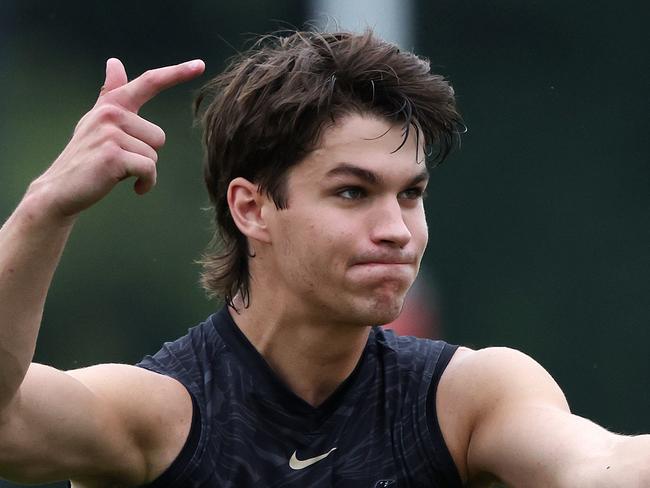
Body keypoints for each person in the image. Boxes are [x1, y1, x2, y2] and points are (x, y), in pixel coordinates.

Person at [0, 30, 647, 488]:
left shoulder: (468, 399)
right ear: (252, 208)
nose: (396, 229)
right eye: (352, 192)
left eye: (411, 194)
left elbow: (599, 467)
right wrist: (42, 210)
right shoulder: (158, 414)